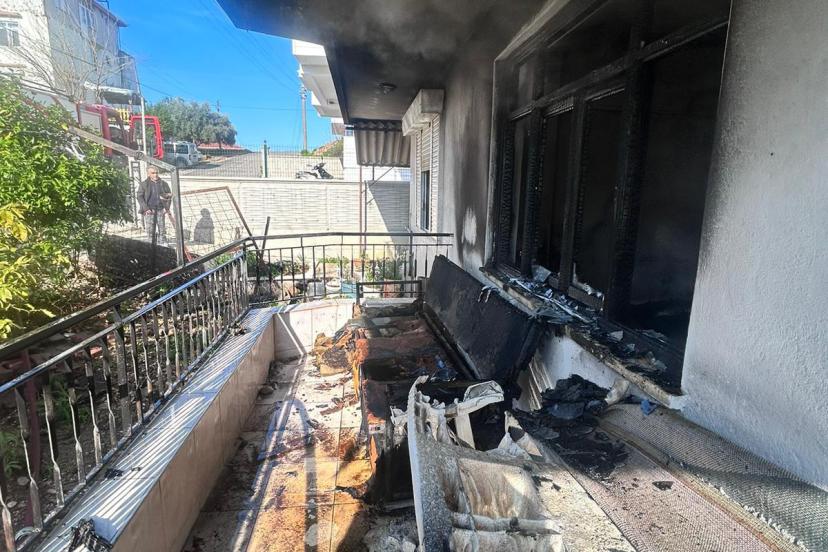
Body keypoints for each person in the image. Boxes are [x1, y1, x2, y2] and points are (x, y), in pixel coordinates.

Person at [137, 166, 172, 243]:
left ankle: (162, 243)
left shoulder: (163, 184)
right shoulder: (144, 184)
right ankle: (151, 245)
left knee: (162, 229)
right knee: (150, 230)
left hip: (160, 209)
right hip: (149, 210)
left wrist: (167, 208)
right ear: (148, 174)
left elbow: (169, 196)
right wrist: (146, 208)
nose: (155, 175)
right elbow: (140, 197)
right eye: (153, 173)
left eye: (156, 173)